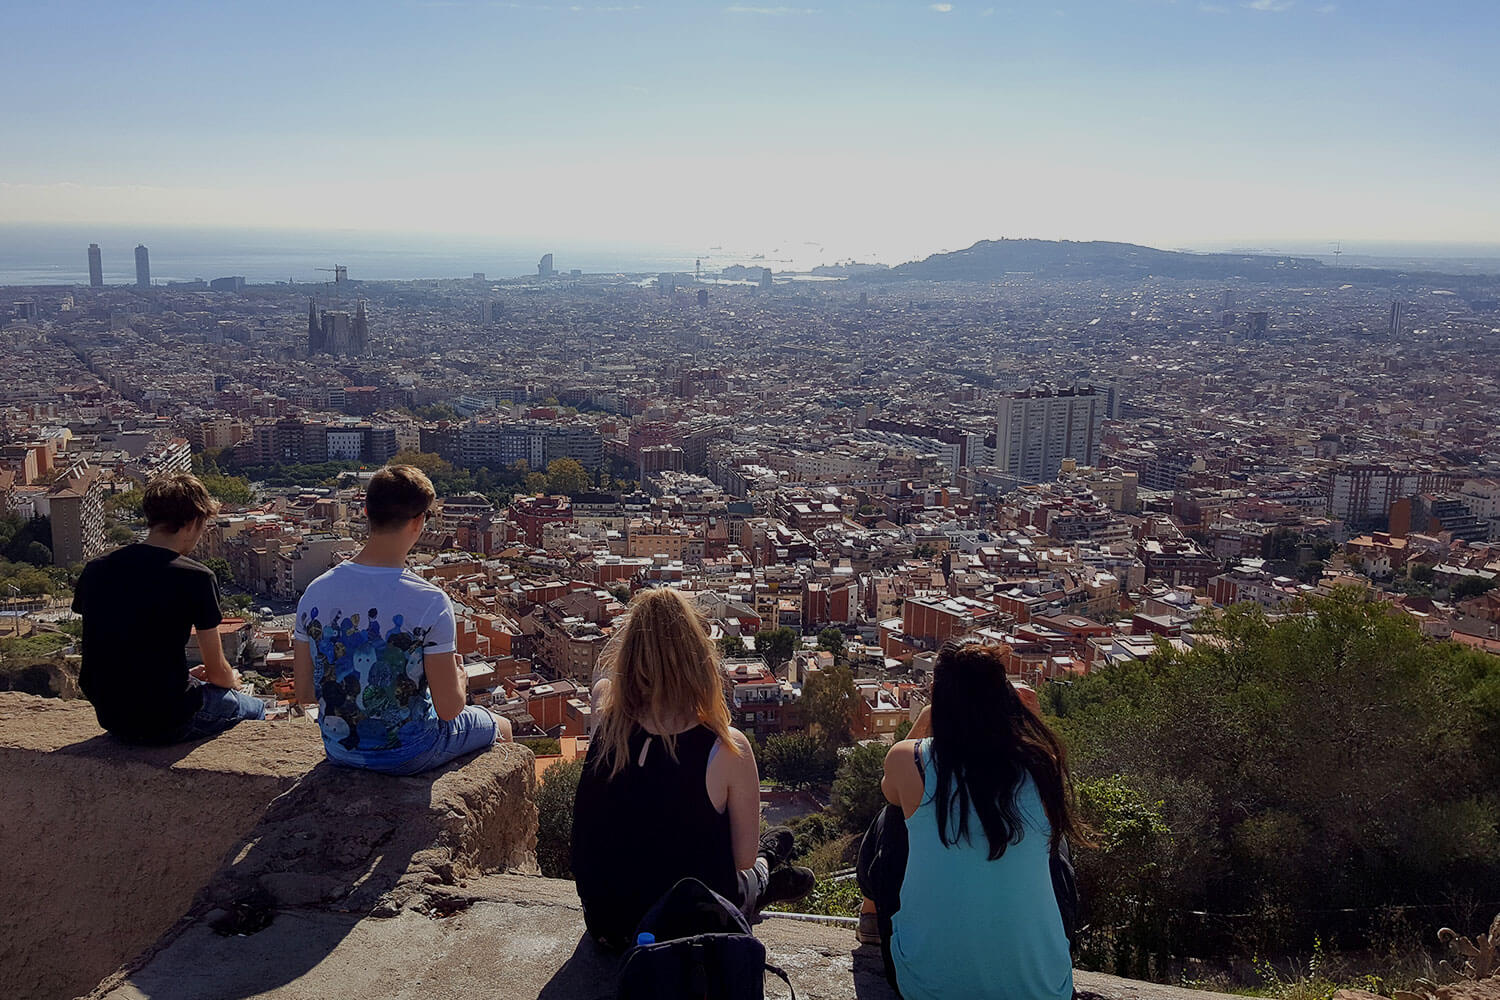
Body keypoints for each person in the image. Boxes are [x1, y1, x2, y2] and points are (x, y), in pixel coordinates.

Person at [571, 588, 814, 950]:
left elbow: (603, 687)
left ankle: (768, 864)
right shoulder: (726, 748)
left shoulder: (608, 728)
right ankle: (767, 870)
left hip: (610, 926)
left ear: (630, 660)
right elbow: (740, 859)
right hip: (689, 930)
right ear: (700, 659)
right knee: (752, 867)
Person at [856, 640, 1085, 1000]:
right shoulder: (1043, 767)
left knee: (896, 813)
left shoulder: (909, 762)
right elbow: (1027, 746)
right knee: (1051, 836)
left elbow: (890, 792)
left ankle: (870, 912)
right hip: (1043, 990)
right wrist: (1030, 715)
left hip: (925, 986)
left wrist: (929, 714)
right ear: (1004, 699)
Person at [292, 464, 510, 775]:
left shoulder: (315, 592)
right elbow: (449, 710)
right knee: (500, 724)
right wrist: (460, 682)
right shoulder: (430, 601)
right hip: (409, 753)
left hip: (340, 749)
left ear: (366, 512)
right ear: (419, 521)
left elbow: (304, 693)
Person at [73, 472, 265, 744]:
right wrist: (230, 680)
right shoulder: (196, 577)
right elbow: (218, 671)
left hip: (111, 714)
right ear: (192, 522)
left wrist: (183, 676)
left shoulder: (97, 569)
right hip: (168, 717)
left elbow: (115, 643)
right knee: (254, 708)